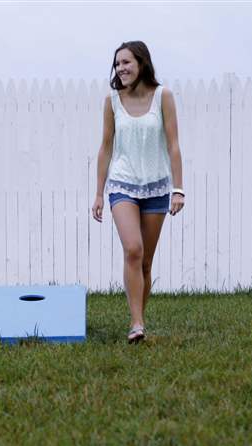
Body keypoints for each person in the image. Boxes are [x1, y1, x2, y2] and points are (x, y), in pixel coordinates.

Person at [91, 41, 184, 343]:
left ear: (141, 63)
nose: (121, 68)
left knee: (145, 262)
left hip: (157, 186)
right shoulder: (112, 101)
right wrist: (99, 193)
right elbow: (106, 148)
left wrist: (178, 189)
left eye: (127, 62)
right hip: (122, 185)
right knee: (133, 249)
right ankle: (136, 324)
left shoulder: (163, 96)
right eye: (117, 64)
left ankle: (139, 321)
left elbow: (173, 146)